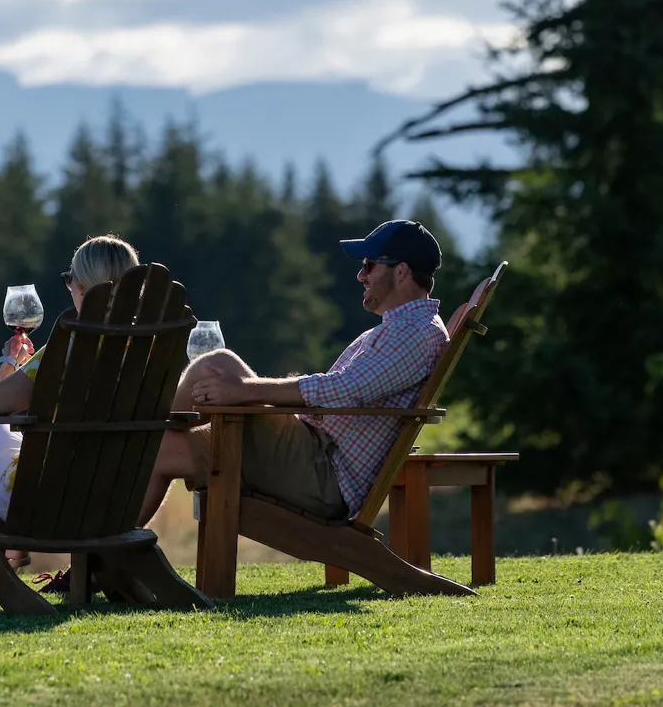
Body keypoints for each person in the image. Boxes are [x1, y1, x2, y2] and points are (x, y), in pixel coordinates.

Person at [139, 219, 449, 525]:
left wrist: (246, 391)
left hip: (322, 473)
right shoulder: (403, 330)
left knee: (155, 451)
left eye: (368, 266)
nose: (360, 276)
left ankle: (113, 541)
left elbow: (346, 389)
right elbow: (343, 390)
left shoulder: (415, 334)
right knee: (215, 363)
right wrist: (248, 390)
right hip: (311, 453)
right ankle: (135, 439)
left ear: (401, 270)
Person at [0, 234, 141, 523]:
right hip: (117, 496)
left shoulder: (69, 346)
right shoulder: (150, 345)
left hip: (42, 498)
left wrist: (7, 363)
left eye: (70, 279)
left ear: (81, 287)